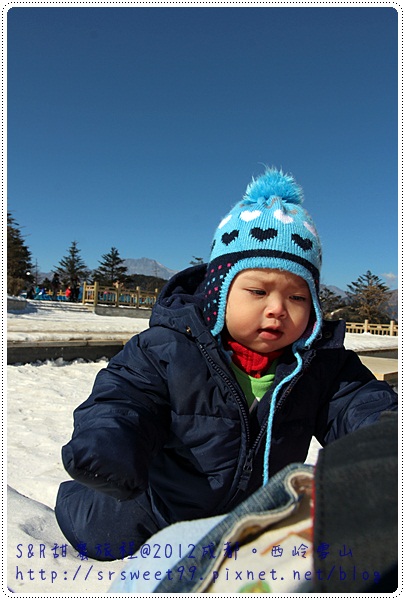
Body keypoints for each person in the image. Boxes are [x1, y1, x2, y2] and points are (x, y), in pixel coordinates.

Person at [55, 168, 397, 561]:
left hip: (256, 519)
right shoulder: (167, 349)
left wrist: (386, 440)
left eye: (298, 298)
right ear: (219, 294)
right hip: (161, 507)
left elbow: (362, 405)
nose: (277, 309)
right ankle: (80, 498)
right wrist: (109, 444)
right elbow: (125, 398)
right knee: (101, 532)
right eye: (258, 291)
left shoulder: (322, 365)